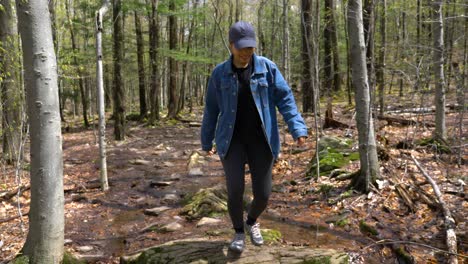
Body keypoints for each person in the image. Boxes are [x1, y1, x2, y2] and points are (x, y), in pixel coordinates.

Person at [201, 21, 307, 253]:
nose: (246, 53)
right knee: (236, 190)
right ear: (231, 46)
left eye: (250, 48)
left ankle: (251, 222)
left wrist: (297, 128)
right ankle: (238, 232)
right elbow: (211, 110)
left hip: (262, 140)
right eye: (242, 48)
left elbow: (286, 100)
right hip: (232, 141)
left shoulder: (267, 69)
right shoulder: (220, 74)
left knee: (263, 193)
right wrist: (206, 141)